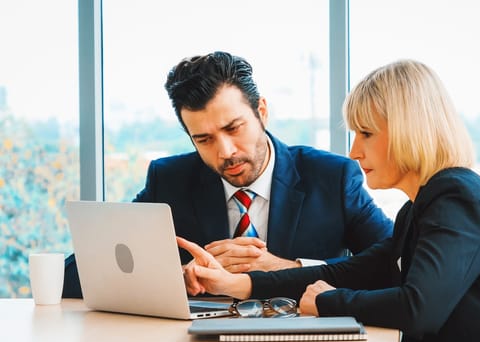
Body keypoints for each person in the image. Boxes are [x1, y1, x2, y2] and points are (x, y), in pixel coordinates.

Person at [177, 59, 480, 342]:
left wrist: (328, 303)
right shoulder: (421, 208)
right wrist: (239, 284)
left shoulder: (456, 197)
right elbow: (351, 270)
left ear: (410, 129)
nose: (354, 151)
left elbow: (419, 309)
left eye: (366, 133)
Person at [61, 51, 393, 298]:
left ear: (261, 112)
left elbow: (395, 269)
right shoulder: (170, 180)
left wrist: (285, 269)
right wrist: (171, 276)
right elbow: (77, 275)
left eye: (234, 128)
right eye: (203, 139)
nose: (225, 151)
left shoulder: (331, 177)